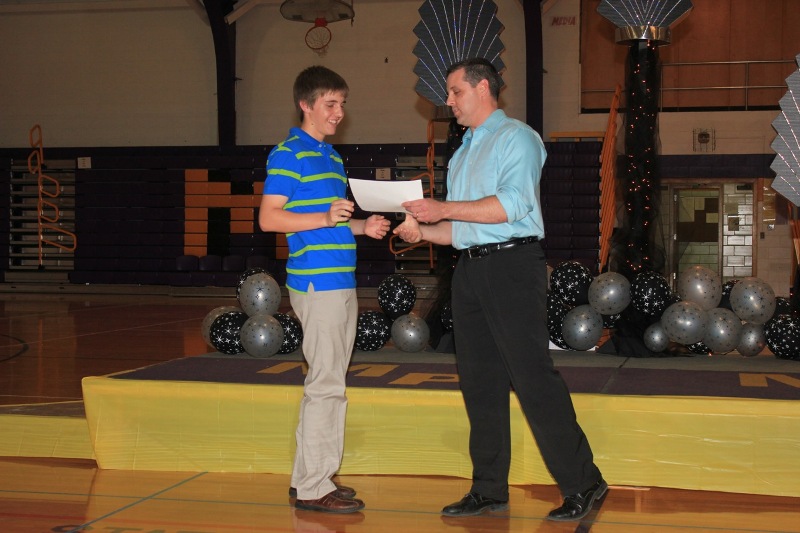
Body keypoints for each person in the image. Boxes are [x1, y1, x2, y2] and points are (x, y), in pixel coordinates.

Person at [394, 57, 607, 522]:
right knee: (479, 382)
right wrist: (421, 230)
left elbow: (512, 204)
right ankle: (489, 489)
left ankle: (584, 482)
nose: (448, 101)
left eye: (455, 91)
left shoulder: (518, 138)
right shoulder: (464, 151)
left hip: (512, 265)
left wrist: (442, 208)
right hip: (470, 270)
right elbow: (459, 229)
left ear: (483, 88)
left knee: (531, 377)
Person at [259, 65, 390, 514]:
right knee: (326, 384)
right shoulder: (288, 154)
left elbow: (329, 221)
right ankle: (315, 487)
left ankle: (309, 478)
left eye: (342, 104)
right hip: (318, 282)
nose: (339, 112)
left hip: (341, 278)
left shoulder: (331, 157)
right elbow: (269, 218)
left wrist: (362, 226)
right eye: (330, 104)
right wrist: (325, 216)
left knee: (328, 379)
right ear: (306, 105)